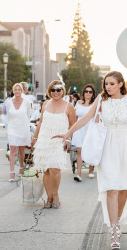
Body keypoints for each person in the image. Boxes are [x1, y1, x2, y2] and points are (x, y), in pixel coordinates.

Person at [54, 71, 127, 250]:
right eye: (106, 84)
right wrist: (68, 133)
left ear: (121, 84)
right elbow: (86, 118)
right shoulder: (101, 100)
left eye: (112, 84)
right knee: (111, 188)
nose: (108, 87)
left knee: (123, 189)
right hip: (108, 147)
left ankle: (117, 221)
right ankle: (114, 230)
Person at [31, 80, 76, 209]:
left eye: (58, 90)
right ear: (49, 91)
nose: (55, 92)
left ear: (63, 91)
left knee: (55, 169)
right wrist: (35, 137)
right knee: (45, 170)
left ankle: (55, 195)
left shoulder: (69, 106)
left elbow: (72, 125)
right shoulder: (45, 104)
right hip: (44, 140)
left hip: (59, 141)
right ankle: (49, 197)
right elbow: (40, 121)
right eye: (53, 90)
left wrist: (68, 139)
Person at [7, 83, 32, 182]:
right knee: (12, 149)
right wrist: (8, 129)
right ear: (13, 91)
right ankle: (11, 172)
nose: (17, 91)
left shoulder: (26, 102)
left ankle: (21, 168)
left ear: (22, 91)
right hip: (12, 128)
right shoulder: (9, 102)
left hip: (23, 128)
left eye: (19, 89)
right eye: (15, 90)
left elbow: (28, 116)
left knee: (21, 150)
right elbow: (8, 117)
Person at [72, 84, 96, 182]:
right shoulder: (78, 102)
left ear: (93, 93)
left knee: (90, 150)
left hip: (90, 128)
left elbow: (97, 118)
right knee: (79, 151)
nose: (88, 93)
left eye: (90, 92)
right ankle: (79, 174)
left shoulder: (95, 104)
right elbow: (75, 117)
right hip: (79, 129)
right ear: (83, 92)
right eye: (86, 91)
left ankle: (90, 171)